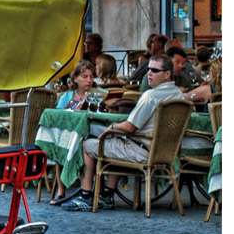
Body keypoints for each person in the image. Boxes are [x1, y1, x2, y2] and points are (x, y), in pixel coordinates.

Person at [61, 54, 186, 212]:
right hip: (164, 152)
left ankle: (85, 196)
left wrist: (111, 127)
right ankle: (107, 195)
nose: (149, 73)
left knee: (85, 145)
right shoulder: (178, 95)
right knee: (114, 141)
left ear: (167, 74)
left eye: (154, 70)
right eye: (148, 69)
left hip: (141, 150)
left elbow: (130, 127)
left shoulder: (150, 96)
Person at [51, 60, 96, 205]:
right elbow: (58, 117)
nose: (89, 80)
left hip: (90, 134)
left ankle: (87, 189)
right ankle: (61, 190)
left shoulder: (96, 96)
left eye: (91, 76)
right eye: (85, 76)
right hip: (69, 134)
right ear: (75, 78)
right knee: (61, 145)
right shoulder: (67, 97)